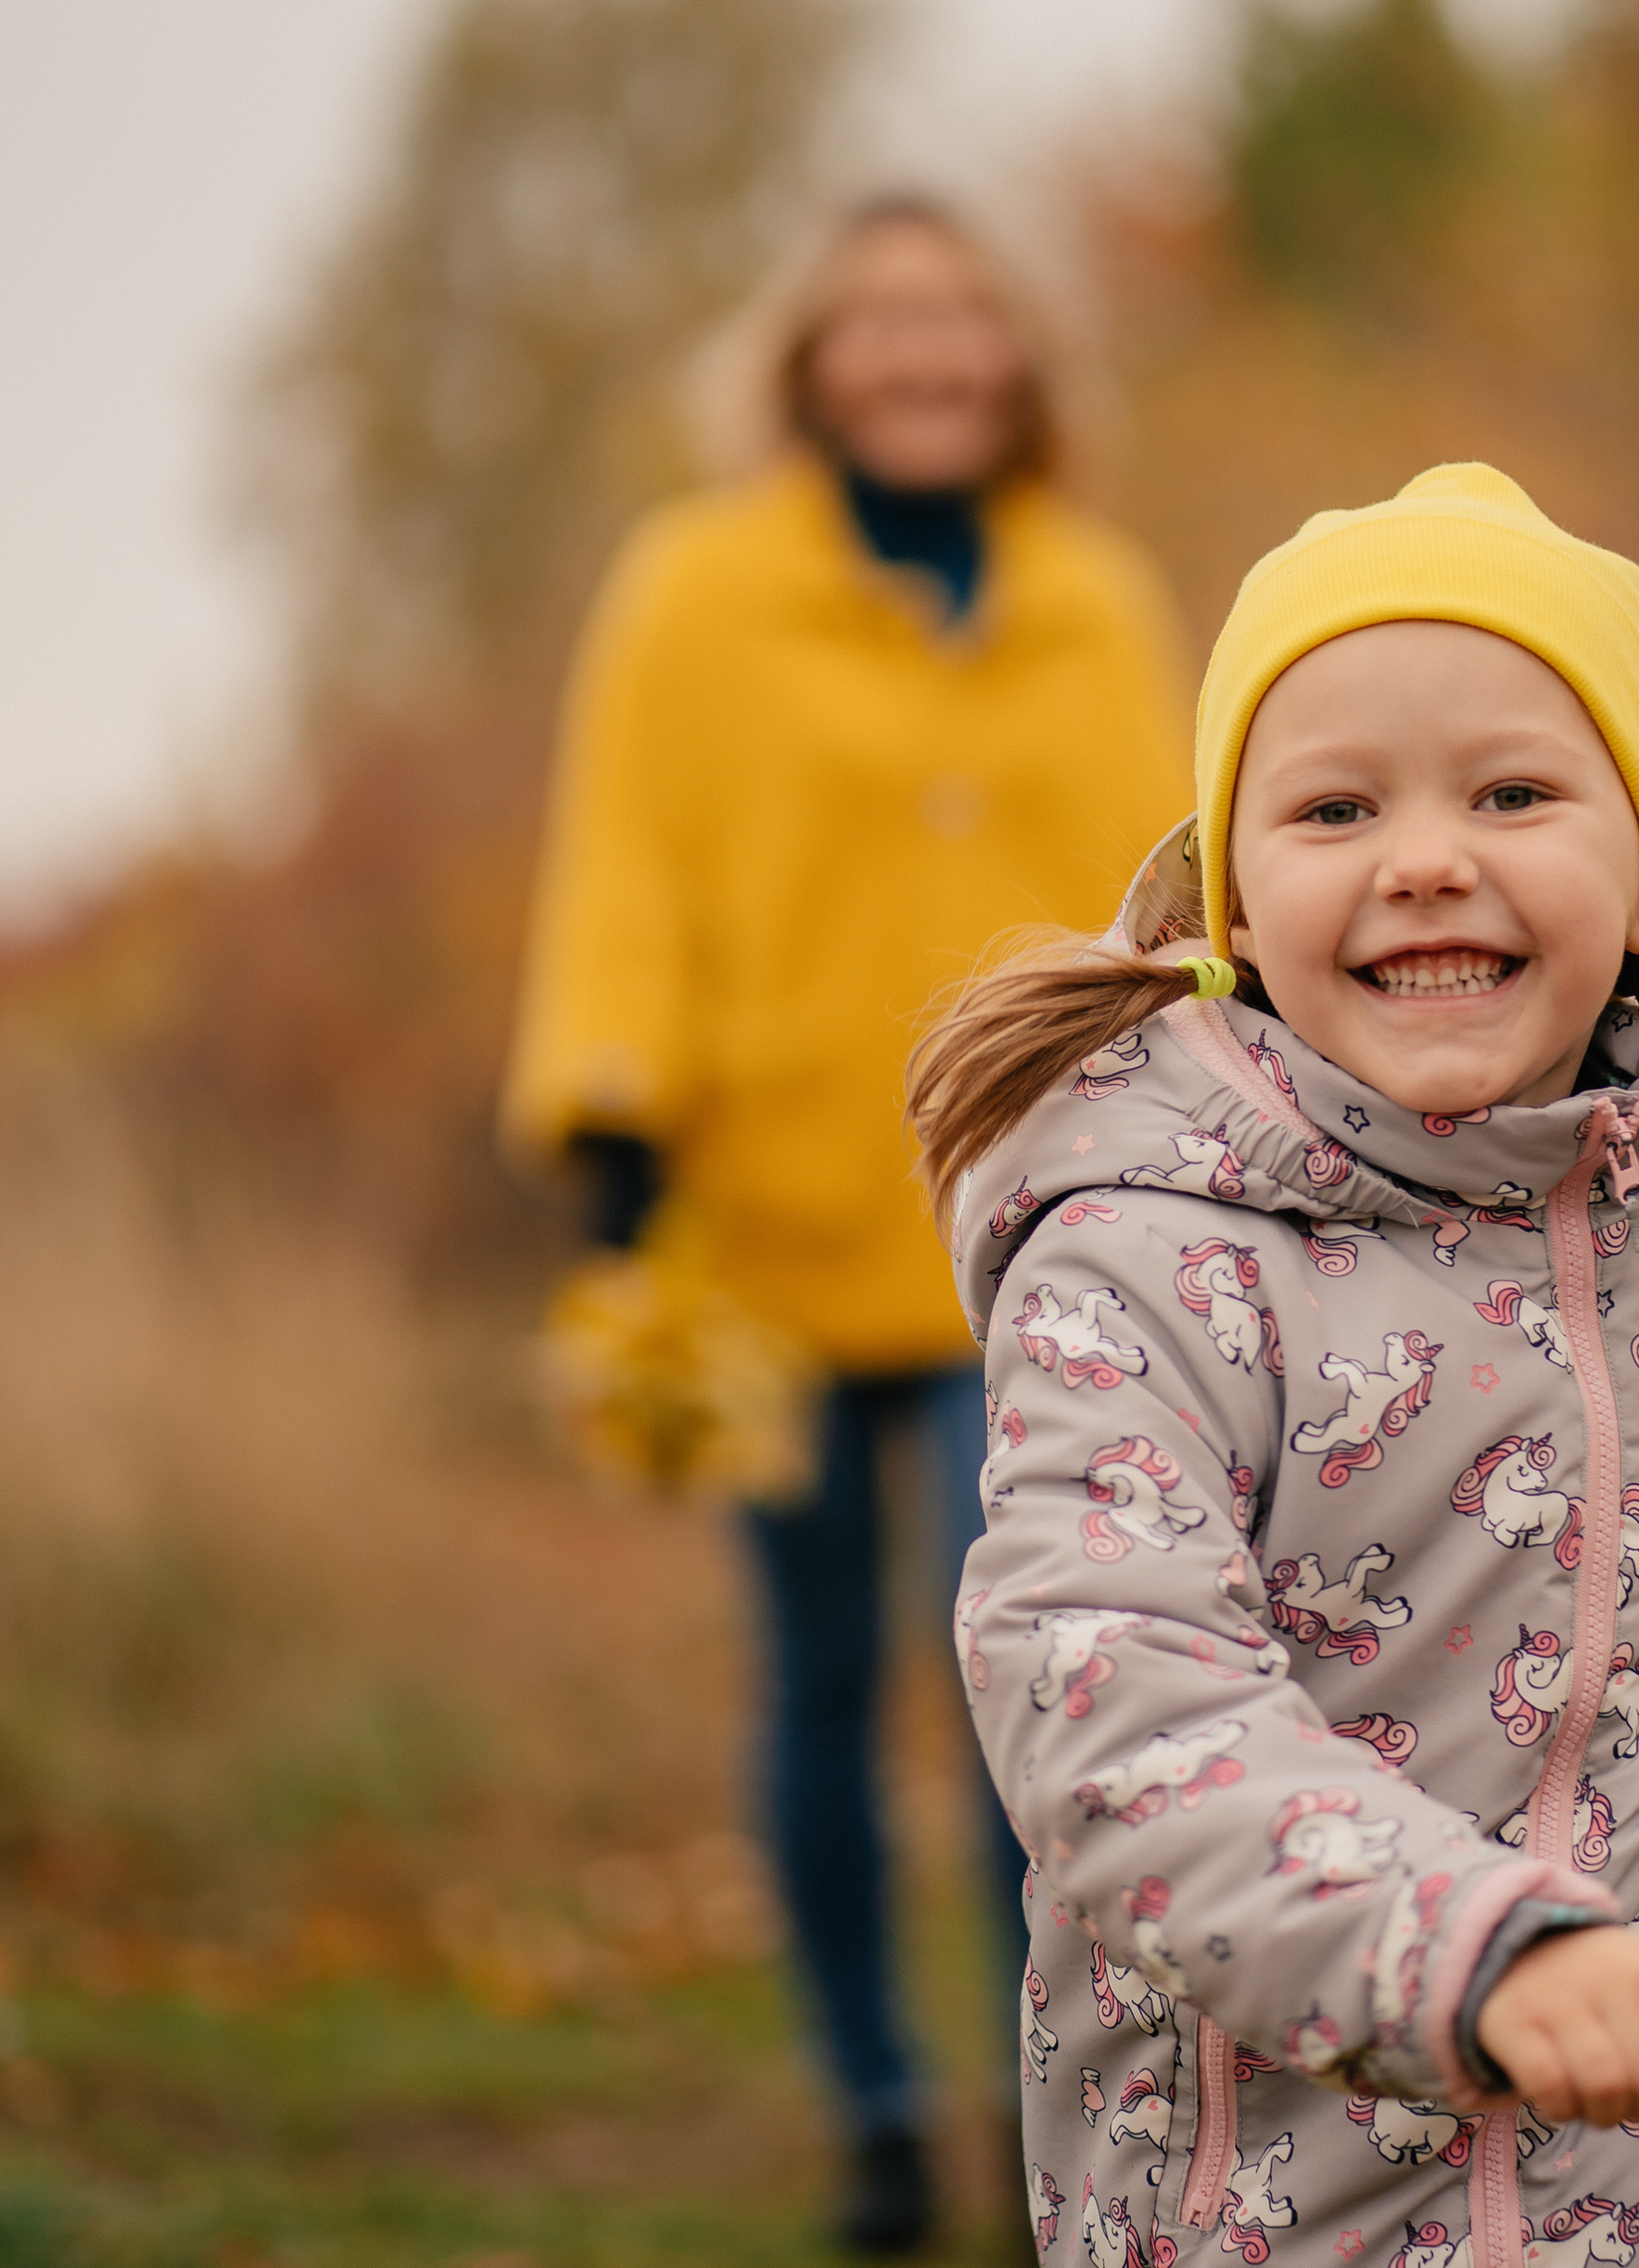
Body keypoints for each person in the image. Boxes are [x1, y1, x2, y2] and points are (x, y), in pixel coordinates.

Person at [910, 464, 1639, 2264]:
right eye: (1332, 805)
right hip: (1301, 2207)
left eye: (1509, 791)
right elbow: (1108, 1709)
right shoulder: (1142, 1265)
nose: (1422, 854)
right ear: (1230, 893)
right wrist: (1462, 1946)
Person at [502, 194, 1192, 2251]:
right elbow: (622, 851)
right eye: (880, 323)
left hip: (1040, 1224)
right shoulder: (693, 590)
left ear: (1020, 359)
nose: (923, 356)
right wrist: (615, 1138)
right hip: (777, 1215)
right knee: (812, 1667)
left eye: (962, 320)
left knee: (1023, 1670)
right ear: (806, 361)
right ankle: (872, 2101)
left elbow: (1175, 880)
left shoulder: (1099, 592)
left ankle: (1037, 2090)